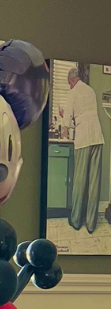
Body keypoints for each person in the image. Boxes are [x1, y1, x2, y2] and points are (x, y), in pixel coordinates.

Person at [58, 66, 104, 233]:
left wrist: (63, 119)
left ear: (72, 80)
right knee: (94, 182)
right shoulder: (90, 90)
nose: (69, 86)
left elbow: (67, 120)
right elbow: (86, 113)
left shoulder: (73, 92)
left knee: (79, 181)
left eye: (69, 83)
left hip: (84, 139)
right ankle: (91, 223)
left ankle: (76, 220)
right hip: (97, 138)